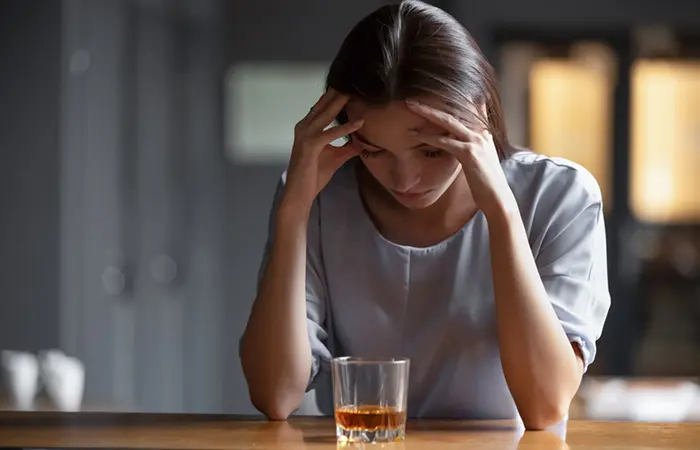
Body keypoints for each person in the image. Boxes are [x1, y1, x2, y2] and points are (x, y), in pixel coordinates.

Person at [239, 0, 610, 430]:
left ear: (480, 117)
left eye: (432, 150)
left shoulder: (559, 195)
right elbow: (276, 395)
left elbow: (545, 406)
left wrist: (502, 212)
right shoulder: (321, 198)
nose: (405, 178)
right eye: (374, 151)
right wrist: (293, 211)